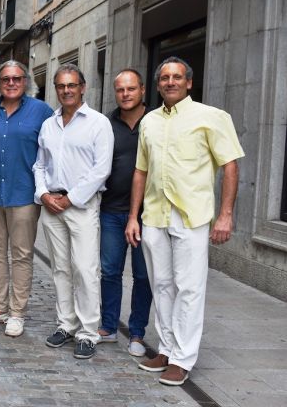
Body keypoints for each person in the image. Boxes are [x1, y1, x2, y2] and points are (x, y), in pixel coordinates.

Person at [126, 56, 244, 386]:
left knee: (189, 288)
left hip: (190, 215)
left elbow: (230, 166)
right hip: (154, 215)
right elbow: (141, 171)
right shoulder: (149, 121)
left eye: (177, 77)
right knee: (161, 285)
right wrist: (133, 217)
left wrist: (226, 214)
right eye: (164, 78)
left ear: (189, 82)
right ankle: (165, 348)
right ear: (158, 84)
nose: (170, 82)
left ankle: (182, 358)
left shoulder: (212, 117)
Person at [34, 63, 114, 359]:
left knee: (85, 268)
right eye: (61, 86)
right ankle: (66, 324)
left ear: (83, 88)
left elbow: (101, 169)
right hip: (51, 205)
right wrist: (43, 193)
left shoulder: (98, 123)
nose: (66, 90)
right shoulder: (48, 124)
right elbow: (40, 164)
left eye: (71, 85)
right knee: (60, 268)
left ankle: (88, 332)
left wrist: (70, 199)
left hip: (81, 206)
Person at [0, 60, 52, 337]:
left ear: (26, 82)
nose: (12, 83)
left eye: (17, 78)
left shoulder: (42, 111)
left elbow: (56, 148)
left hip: (24, 193)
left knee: (22, 254)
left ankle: (17, 312)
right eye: (6, 79)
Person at [97, 69, 153, 356]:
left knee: (143, 276)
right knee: (109, 271)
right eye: (120, 90)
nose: (126, 94)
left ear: (142, 89)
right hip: (111, 210)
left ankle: (138, 333)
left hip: (149, 214)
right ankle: (107, 325)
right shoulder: (106, 124)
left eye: (131, 89)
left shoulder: (155, 121)